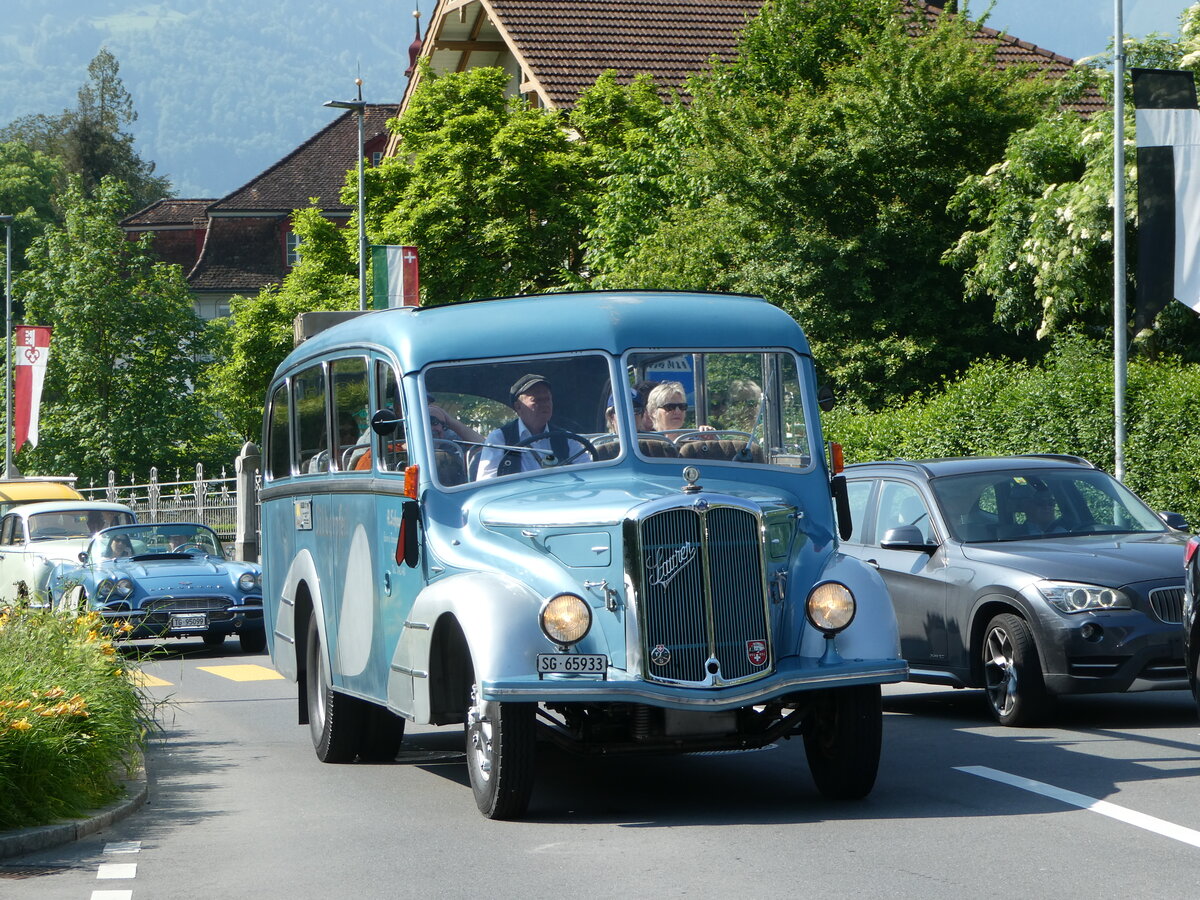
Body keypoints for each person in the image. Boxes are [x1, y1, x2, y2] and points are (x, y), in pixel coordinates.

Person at [476, 374, 588, 479]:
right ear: (518, 407)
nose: (545, 404)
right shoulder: (500, 439)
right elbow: (487, 483)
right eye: (537, 400)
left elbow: (587, 475)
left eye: (547, 399)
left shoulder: (567, 439)